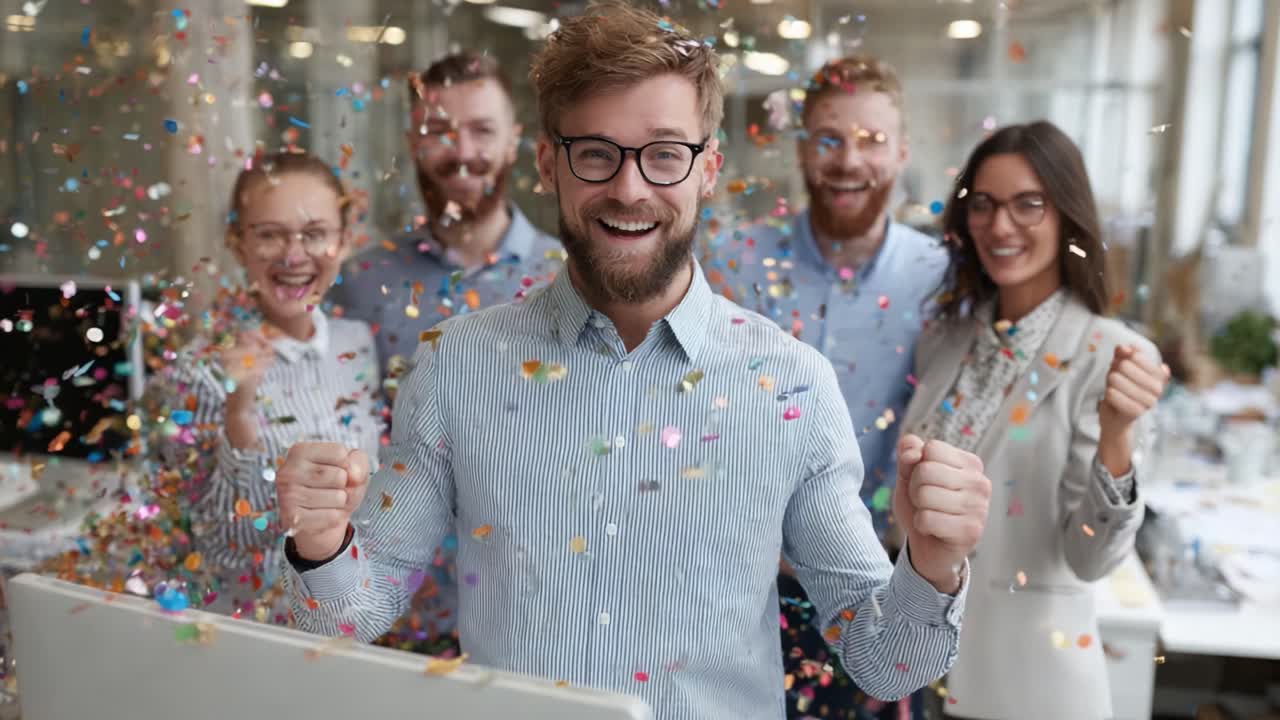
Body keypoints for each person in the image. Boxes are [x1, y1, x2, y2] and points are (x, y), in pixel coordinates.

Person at [275, 5, 992, 719]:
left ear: (708, 167)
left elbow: (884, 661)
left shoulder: (790, 385)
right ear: (548, 163)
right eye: (596, 152)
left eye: (664, 153)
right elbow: (351, 614)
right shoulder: (455, 366)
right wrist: (320, 543)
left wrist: (931, 564)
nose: (629, 188)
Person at [900, 121, 1169, 720]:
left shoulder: (1111, 354)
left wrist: (1118, 435)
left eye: (1029, 205)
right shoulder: (944, 340)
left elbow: (1091, 559)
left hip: (1031, 688)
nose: (1000, 227)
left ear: (1066, 216)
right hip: (921, 678)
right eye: (985, 206)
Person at [707, 56, 948, 719]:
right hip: (735, 594)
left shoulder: (943, 281)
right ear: (803, 148)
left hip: (878, 595)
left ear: (902, 152)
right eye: (830, 138)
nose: (849, 161)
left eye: (871, 141)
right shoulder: (730, 262)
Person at [157, 150, 382, 620]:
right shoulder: (199, 369)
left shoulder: (356, 342)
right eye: (270, 235)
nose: (294, 255)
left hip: (349, 621)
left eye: (315, 233)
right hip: (253, 634)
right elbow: (213, 545)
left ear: (343, 241)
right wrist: (239, 409)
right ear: (238, 245)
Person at [331, 51, 561, 375]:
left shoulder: (568, 278)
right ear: (412, 145)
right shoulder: (360, 281)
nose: (463, 153)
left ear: (512, 141)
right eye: (438, 130)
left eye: (482, 130)